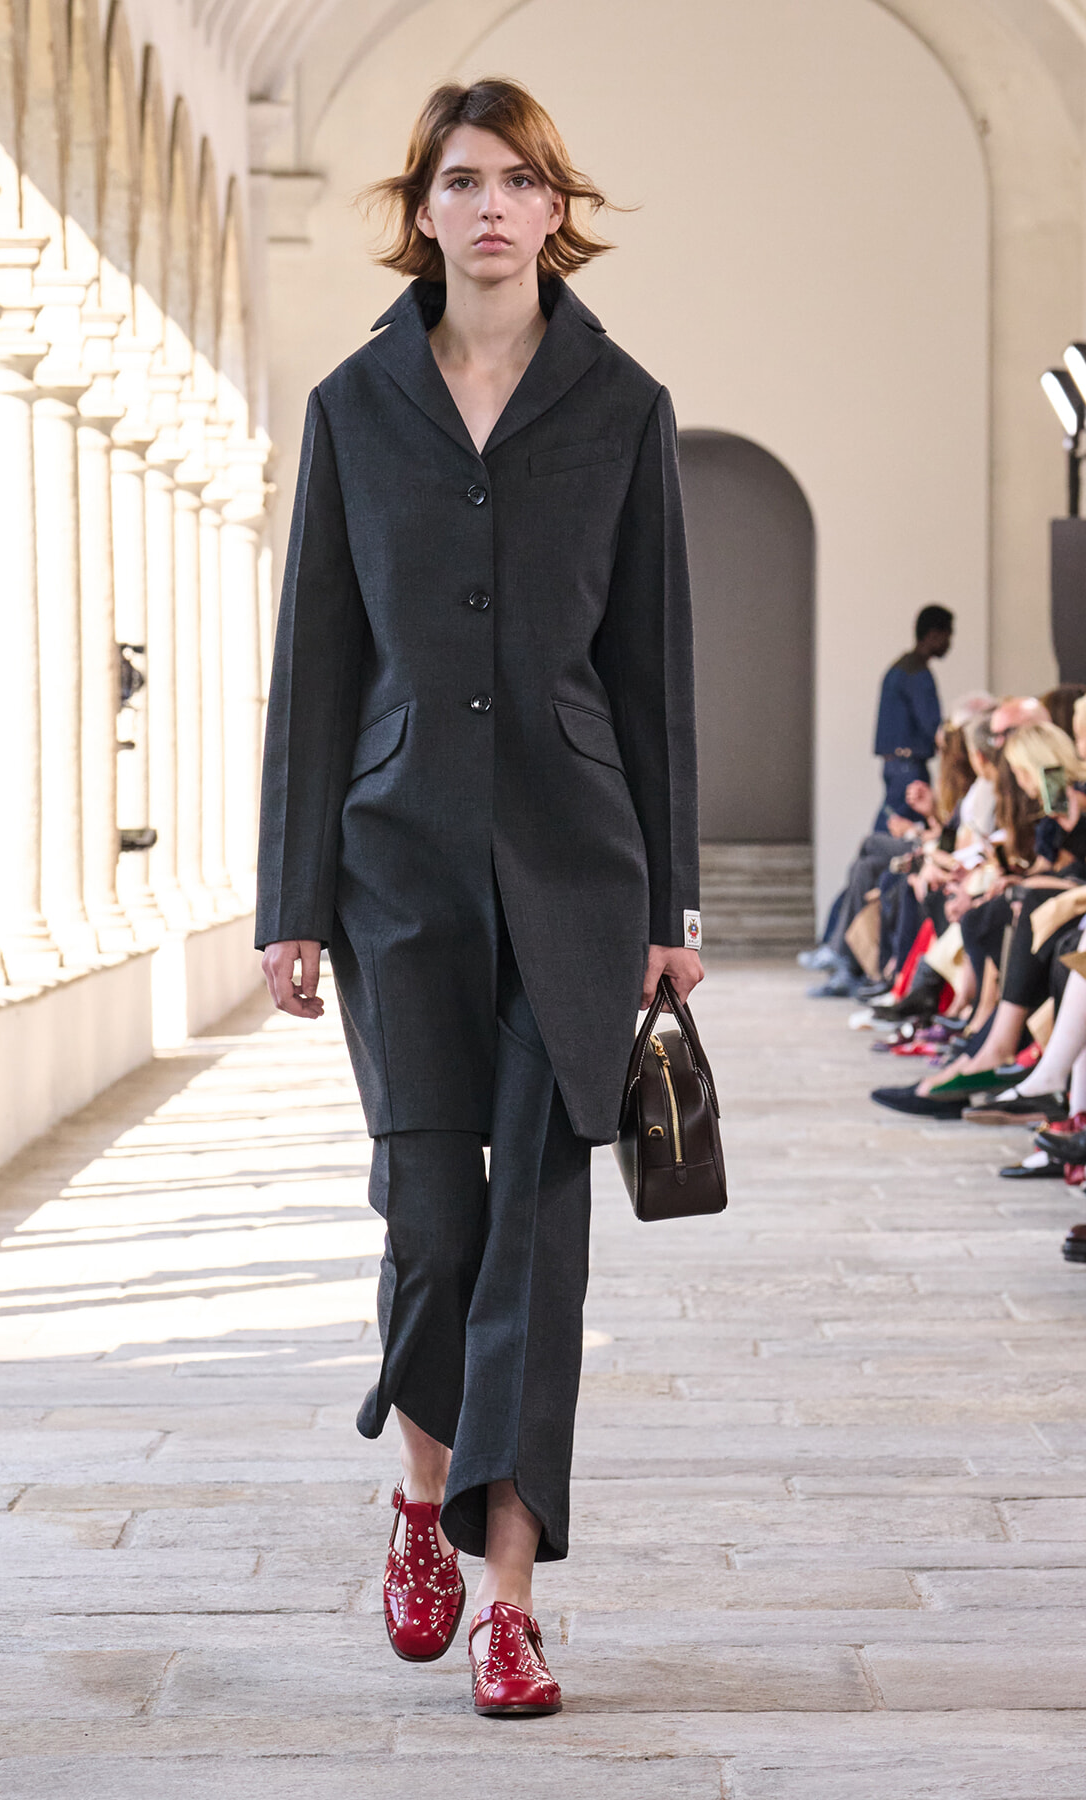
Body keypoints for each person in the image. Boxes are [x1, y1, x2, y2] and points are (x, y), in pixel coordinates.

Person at [255, 77, 702, 1719]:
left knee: (539, 1236)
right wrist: (289, 895)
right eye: (465, 180)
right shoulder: (353, 406)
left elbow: (654, 666)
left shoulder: (623, 403)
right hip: (398, 874)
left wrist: (679, 900)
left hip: (581, 875)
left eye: (522, 180)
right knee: (434, 1226)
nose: (496, 205)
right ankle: (414, 1505)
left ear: (554, 208)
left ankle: (508, 1597)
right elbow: (316, 661)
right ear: (423, 209)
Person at [873, 605, 954, 829]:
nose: (949, 643)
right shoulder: (917, 674)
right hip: (909, 767)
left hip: (894, 764)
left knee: (893, 826)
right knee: (894, 831)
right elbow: (931, 724)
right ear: (934, 635)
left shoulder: (898, 668)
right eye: (948, 636)